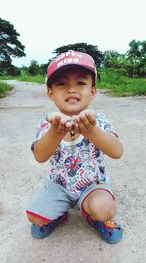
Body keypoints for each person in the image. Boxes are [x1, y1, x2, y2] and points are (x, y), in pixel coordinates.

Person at [26, 50, 123, 244]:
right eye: (62, 83)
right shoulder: (47, 124)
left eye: (80, 83)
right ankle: (60, 213)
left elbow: (117, 151)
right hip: (59, 186)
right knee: (34, 216)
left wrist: (91, 131)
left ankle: (91, 214)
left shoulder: (99, 121)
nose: (71, 89)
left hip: (92, 186)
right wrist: (56, 131)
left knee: (104, 209)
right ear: (50, 92)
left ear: (93, 91)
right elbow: (40, 156)